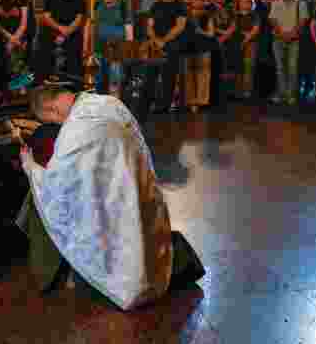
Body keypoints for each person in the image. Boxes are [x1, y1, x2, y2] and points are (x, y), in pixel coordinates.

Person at [16, 86, 204, 310]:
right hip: (145, 204)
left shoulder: (74, 131)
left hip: (117, 221)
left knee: (51, 206)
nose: (57, 125)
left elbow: (55, 186)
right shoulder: (109, 103)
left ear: (52, 109)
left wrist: (30, 166)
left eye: (52, 120)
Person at [38, 0, 87, 82]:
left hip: (72, 35)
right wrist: (60, 29)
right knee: (44, 45)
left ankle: (72, 85)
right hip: (53, 34)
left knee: (74, 54)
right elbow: (47, 17)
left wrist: (66, 33)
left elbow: (79, 19)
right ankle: (47, 81)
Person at [88, 0, 132, 95]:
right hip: (98, 50)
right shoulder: (97, 4)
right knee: (98, 84)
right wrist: (89, 49)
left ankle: (114, 110)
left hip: (116, 53)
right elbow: (91, 25)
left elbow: (128, 29)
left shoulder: (122, 6)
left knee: (115, 83)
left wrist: (128, 50)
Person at [268, 0, 307, 106]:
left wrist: (291, 34)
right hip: (278, 40)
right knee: (279, 68)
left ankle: (290, 95)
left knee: (292, 68)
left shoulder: (301, 4)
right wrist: (282, 34)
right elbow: (273, 20)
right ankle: (281, 94)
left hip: (294, 40)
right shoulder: (275, 3)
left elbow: (302, 22)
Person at [0, 0, 29, 84]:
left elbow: (23, 23)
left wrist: (15, 39)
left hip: (18, 36)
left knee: (18, 49)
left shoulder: (22, 0)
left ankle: (20, 84)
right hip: (2, 36)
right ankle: (8, 85)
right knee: (3, 50)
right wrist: (9, 38)